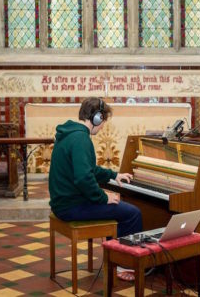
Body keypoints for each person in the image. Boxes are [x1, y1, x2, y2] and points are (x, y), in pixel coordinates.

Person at [48, 97, 142, 280]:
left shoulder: (70, 134)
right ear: (97, 118)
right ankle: (123, 266)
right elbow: (84, 178)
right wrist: (103, 197)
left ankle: (112, 258)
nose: (103, 126)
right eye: (103, 121)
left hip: (63, 203)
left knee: (118, 208)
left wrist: (114, 175)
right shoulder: (81, 139)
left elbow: (89, 170)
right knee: (132, 213)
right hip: (71, 206)